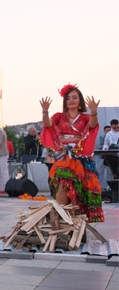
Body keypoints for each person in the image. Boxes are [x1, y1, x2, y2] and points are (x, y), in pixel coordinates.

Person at [40, 84, 104, 222]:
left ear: (80, 100)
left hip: (81, 158)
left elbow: (92, 125)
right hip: (64, 158)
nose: (71, 100)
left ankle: (75, 224)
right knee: (63, 183)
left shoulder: (85, 118)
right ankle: (60, 219)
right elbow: (48, 124)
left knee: (79, 191)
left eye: (74, 97)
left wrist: (94, 112)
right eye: (68, 98)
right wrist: (45, 112)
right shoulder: (59, 116)